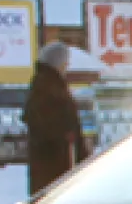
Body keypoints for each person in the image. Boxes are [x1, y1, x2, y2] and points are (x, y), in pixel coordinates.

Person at [21, 42, 90, 196]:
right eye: (65, 61)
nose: (67, 65)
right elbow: (40, 120)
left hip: (55, 158)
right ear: (57, 62)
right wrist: (65, 136)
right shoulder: (47, 86)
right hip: (53, 159)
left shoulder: (50, 83)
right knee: (51, 197)